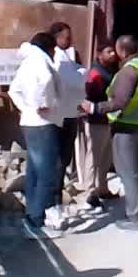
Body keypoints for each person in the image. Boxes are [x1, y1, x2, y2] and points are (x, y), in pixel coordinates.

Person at [82, 35, 138, 231]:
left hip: (126, 126)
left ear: (123, 50)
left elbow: (119, 102)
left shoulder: (129, 70)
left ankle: (135, 217)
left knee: (128, 173)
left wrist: (94, 108)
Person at [8, 32, 66, 237]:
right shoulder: (40, 60)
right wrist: (42, 103)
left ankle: (31, 217)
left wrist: (26, 107)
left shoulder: (28, 61)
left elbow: (13, 90)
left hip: (30, 122)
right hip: (43, 123)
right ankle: (35, 222)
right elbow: (47, 79)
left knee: (34, 172)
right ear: (48, 47)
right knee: (46, 174)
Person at [47, 22, 87, 205]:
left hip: (68, 112)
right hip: (62, 114)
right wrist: (83, 73)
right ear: (56, 38)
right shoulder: (58, 57)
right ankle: (54, 200)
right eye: (67, 36)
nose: (70, 40)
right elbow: (74, 81)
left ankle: (55, 197)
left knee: (63, 159)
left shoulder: (64, 56)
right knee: (60, 159)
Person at [76, 43, 119, 211]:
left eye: (113, 51)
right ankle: (89, 193)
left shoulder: (109, 71)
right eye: (109, 51)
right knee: (93, 158)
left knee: (105, 158)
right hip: (95, 121)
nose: (113, 54)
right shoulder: (95, 73)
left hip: (106, 119)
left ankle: (103, 188)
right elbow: (87, 97)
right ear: (99, 54)